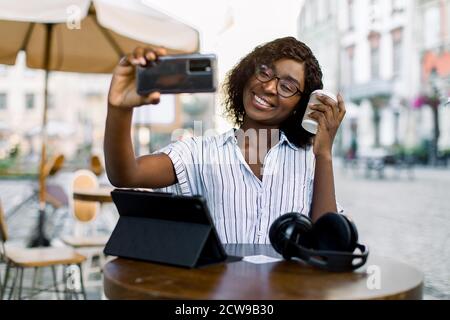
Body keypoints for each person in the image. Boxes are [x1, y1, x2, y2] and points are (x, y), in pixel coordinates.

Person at [104, 37, 346, 244]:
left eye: (287, 86)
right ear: (247, 75)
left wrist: (323, 154)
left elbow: (327, 243)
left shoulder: (310, 159)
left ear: (300, 106)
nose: (271, 87)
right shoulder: (199, 154)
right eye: (265, 72)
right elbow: (126, 174)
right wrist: (119, 109)